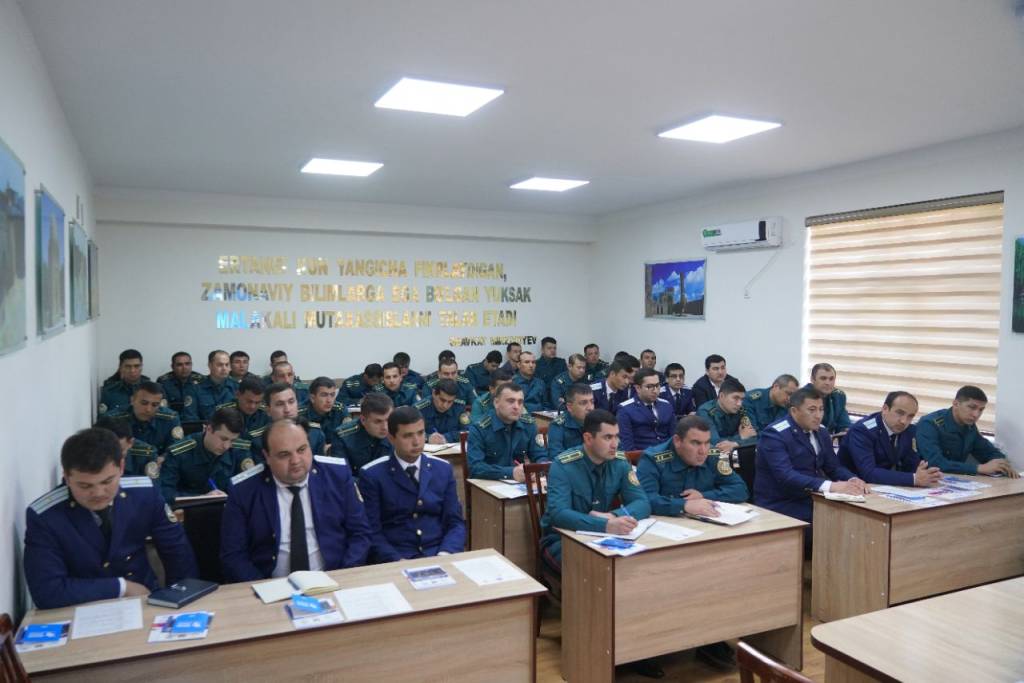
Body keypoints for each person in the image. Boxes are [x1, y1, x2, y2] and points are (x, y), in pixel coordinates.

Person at [23, 427, 197, 608]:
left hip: (145, 600)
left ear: (121, 467)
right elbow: (47, 592)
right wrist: (121, 588)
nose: (98, 493)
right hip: (80, 607)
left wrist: (178, 600)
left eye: (107, 481)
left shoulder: (144, 494)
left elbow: (178, 552)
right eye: (85, 486)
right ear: (66, 477)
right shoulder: (46, 516)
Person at [636, 414, 746, 671]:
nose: (703, 450)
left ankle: (710, 638)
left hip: (704, 534)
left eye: (707, 443)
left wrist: (704, 495)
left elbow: (740, 489)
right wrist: (683, 505)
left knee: (722, 576)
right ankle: (645, 647)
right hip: (662, 538)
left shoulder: (712, 456)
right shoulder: (653, 459)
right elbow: (644, 500)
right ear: (677, 441)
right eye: (696, 443)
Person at [219, 419, 372, 582]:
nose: (296, 460)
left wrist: (343, 576)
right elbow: (233, 555)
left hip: (334, 577)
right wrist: (261, 586)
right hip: (268, 584)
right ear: (267, 456)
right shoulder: (244, 490)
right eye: (284, 455)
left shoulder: (337, 475)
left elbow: (360, 534)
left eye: (302, 450)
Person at [540, 410, 650, 567]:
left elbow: (642, 502)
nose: (615, 444)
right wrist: (605, 525)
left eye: (616, 436)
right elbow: (558, 514)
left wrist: (613, 515)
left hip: (604, 539)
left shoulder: (619, 462)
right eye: (608, 437)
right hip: (563, 539)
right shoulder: (563, 465)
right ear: (588, 438)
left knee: (640, 563)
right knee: (597, 567)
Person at [359, 406, 466, 563]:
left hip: (438, 552)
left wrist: (445, 554)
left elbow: (455, 523)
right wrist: (396, 560)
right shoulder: (373, 475)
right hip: (397, 556)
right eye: (408, 435)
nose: (416, 442)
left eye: (421, 433)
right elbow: (372, 532)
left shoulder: (442, 469)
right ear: (391, 438)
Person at [754, 387, 865, 526]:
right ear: (794, 411)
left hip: (813, 497)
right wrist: (831, 486)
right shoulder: (775, 435)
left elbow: (833, 467)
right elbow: (786, 476)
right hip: (782, 502)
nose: (818, 415)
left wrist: (852, 479)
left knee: (858, 515)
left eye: (821, 409)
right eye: (812, 410)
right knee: (834, 522)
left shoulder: (821, 431)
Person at [838, 391, 942, 487]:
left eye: (910, 416)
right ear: (885, 409)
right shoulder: (863, 431)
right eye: (900, 413)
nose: (904, 421)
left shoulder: (909, 430)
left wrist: (924, 473)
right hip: (853, 486)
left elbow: (911, 464)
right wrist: (913, 479)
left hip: (884, 486)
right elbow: (869, 473)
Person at [915, 385, 1018, 477]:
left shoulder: (969, 425)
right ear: (956, 404)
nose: (976, 415)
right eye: (972, 407)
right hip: (924, 481)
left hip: (955, 480)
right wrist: (979, 468)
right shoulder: (929, 424)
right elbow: (935, 463)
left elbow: (987, 451)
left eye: (981, 410)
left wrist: (1002, 464)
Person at [159, 407, 254, 504]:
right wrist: (201, 498)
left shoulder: (239, 450)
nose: (227, 446)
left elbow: (250, 488)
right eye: (223, 439)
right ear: (209, 429)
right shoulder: (180, 452)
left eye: (233, 440)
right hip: (189, 509)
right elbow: (165, 493)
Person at [467, 383, 546, 480]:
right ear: (496, 403)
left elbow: (541, 456)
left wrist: (537, 470)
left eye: (520, 402)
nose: (516, 407)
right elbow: (475, 468)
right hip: (490, 484)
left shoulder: (528, 425)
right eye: (511, 401)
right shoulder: (479, 429)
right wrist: (510, 473)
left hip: (522, 482)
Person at [250, 383, 327, 460]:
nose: (287, 409)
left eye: (291, 402)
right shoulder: (258, 441)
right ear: (268, 410)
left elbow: (320, 465)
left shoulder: (315, 434)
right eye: (280, 404)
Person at [106, 381, 184, 452]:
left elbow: (175, 451)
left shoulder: (170, 419)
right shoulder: (112, 420)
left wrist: (163, 458)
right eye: (144, 403)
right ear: (132, 400)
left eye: (155, 405)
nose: (148, 409)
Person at [330, 393, 395, 473]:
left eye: (388, 420)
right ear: (363, 420)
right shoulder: (343, 437)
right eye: (378, 421)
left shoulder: (398, 432)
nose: (385, 427)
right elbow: (341, 474)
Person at [617, 369, 674, 451]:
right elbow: (627, 445)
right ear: (638, 388)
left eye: (657, 385)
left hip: (667, 454)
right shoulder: (625, 409)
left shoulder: (666, 405)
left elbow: (674, 437)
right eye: (649, 387)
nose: (655, 390)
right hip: (642, 455)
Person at [698, 378, 758, 453]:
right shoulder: (705, 412)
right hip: (714, 455)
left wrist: (735, 443)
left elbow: (754, 436)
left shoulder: (742, 409)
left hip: (736, 453)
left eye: (742, 399)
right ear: (721, 396)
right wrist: (741, 437)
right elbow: (715, 443)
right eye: (735, 398)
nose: (739, 404)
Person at [94, 416, 160, 480]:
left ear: (130, 443)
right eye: (106, 450)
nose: (112, 456)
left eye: (118, 450)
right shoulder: (90, 452)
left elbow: (153, 485)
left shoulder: (146, 456)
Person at [221, 377, 269, 452]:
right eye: (249, 401)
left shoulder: (266, 413)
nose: (252, 406)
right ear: (237, 395)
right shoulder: (222, 414)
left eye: (257, 402)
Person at [546, 383, 592, 459]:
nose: (590, 408)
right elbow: (556, 457)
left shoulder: (598, 423)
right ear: (570, 407)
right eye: (583, 403)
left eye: (592, 402)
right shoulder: (558, 425)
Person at [415, 378, 466, 444]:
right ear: (434, 394)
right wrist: (428, 437)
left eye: (450, 402)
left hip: (452, 448)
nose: (445, 405)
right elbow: (411, 432)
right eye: (442, 400)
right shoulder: (419, 409)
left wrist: (446, 437)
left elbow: (466, 431)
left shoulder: (459, 407)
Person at [98, 349, 148, 415]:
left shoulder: (152, 390)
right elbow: (103, 419)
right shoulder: (109, 392)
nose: (132, 370)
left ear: (141, 367)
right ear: (121, 368)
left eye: (136, 366)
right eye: (128, 366)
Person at [157, 351, 202, 421]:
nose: (184, 367)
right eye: (179, 365)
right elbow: (162, 409)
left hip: (197, 422)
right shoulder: (163, 382)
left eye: (187, 364)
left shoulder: (200, 381)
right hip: (172, 422)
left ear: (191, 365)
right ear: (172, 367)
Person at [196, 350, 239, 420]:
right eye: (220, 365)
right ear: (210, 365)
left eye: (227, 365)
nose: (224, 368)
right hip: (207, 426)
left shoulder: (237, 387)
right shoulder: (196, 389)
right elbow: (191, 418)